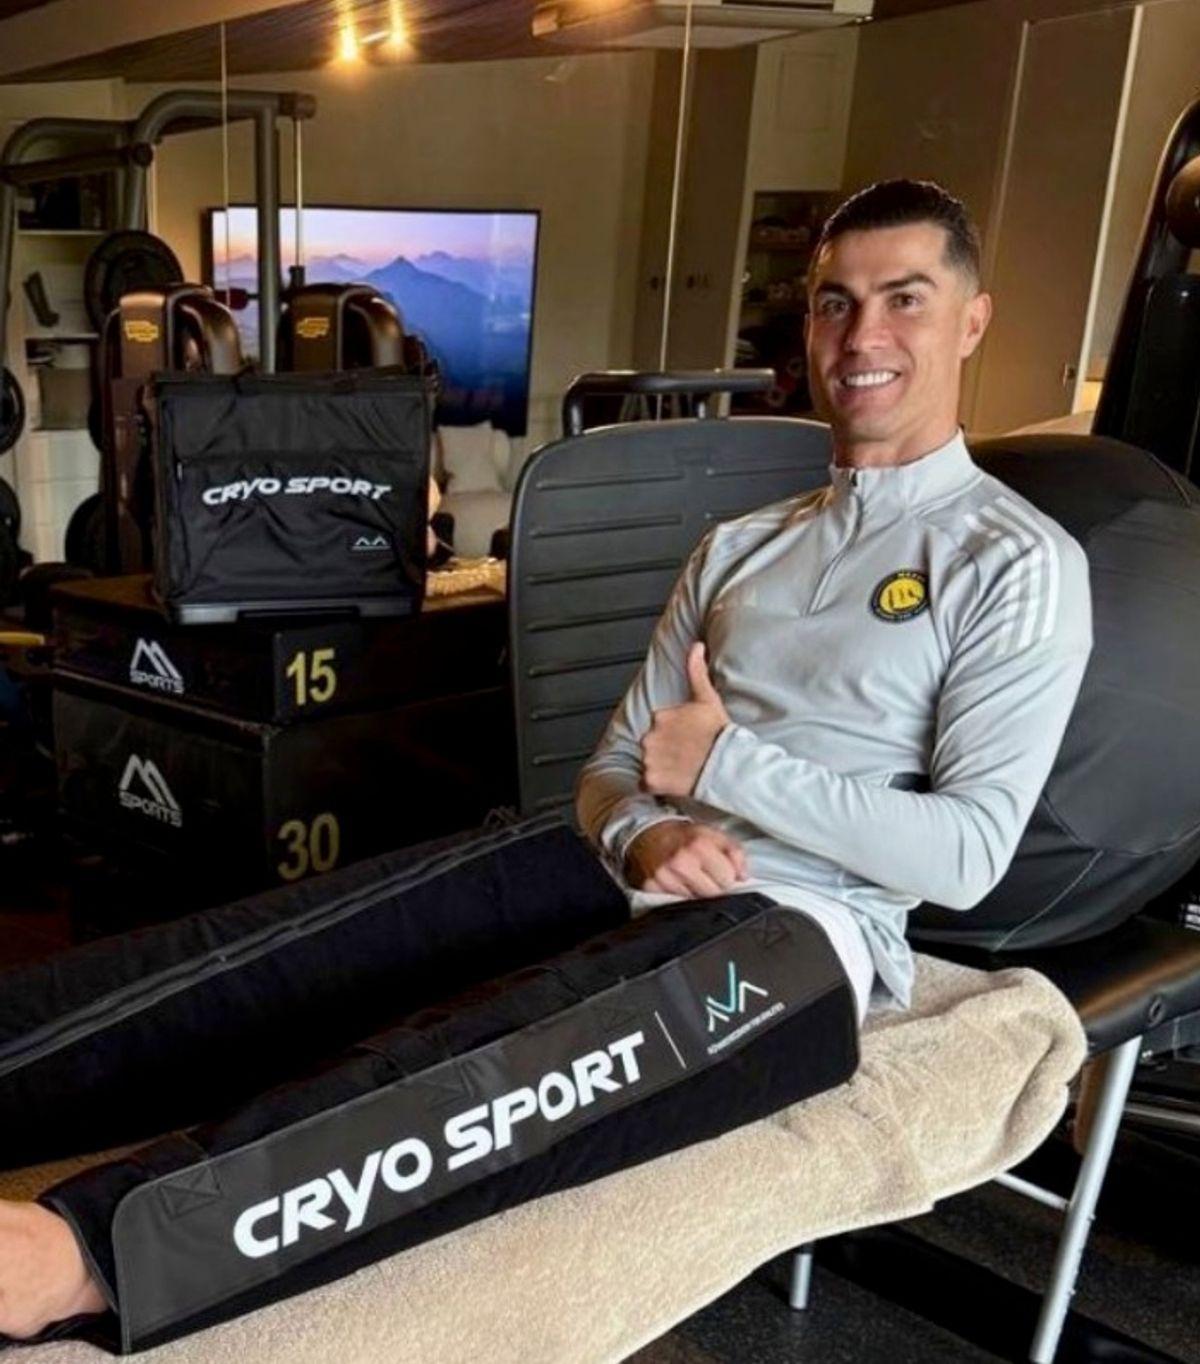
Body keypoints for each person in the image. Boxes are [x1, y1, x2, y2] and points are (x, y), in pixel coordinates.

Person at [576, 178, 1093, 1023]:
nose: (862, 337)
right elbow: (609, 771)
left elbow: (967, 858)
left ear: (971, 323)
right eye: (835, 305)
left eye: (905, 300)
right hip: (630, 897)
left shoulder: (1016, 560)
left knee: (502, 1073)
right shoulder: (736, 547)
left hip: (804, 926)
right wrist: (645, 834)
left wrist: (724, 764)